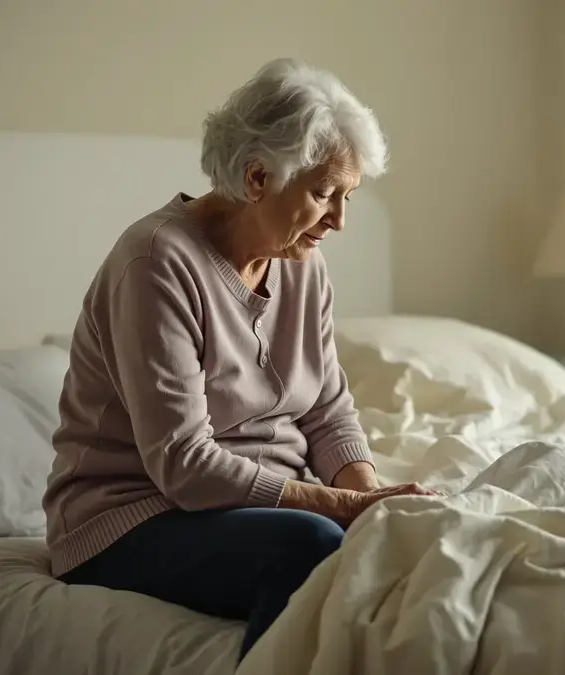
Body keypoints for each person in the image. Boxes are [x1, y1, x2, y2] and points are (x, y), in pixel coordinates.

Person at [43, 58, 435, 661]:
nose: (340, 220)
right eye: (324, 193)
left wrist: (371, 502)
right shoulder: (155, 263)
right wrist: (337, 507)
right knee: (308, 544)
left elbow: (327, 413)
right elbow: (184, 464)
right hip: (129, 517)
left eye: (349, 196)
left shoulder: (303, 261)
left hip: (251, 507)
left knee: (395, 543)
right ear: (258, 178)